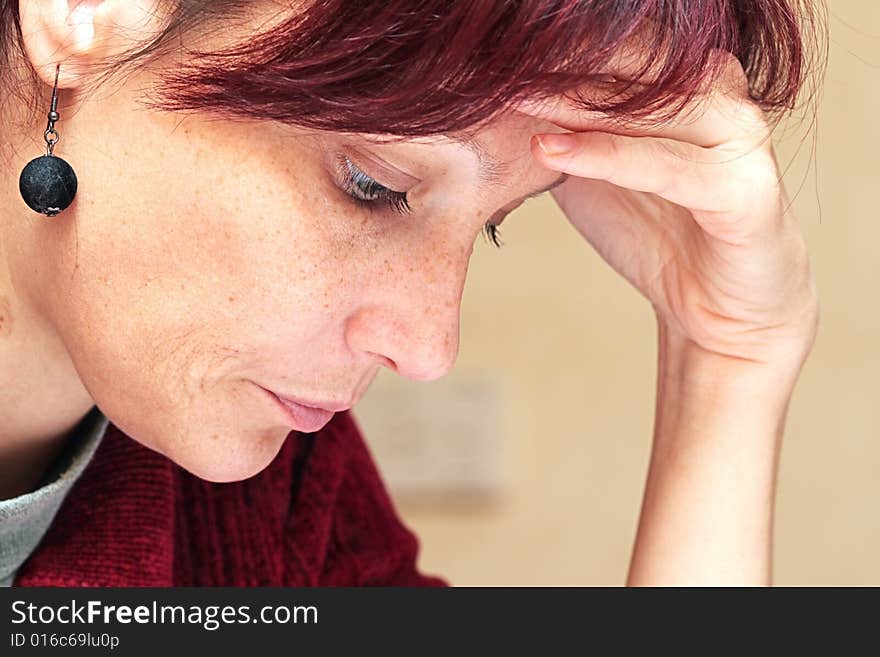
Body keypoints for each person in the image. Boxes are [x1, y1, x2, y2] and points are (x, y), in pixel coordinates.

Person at [0, 0, 821, 586]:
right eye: (374, 184)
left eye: (494, 224)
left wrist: (726, 358)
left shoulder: (275, 508)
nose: (428, 348)